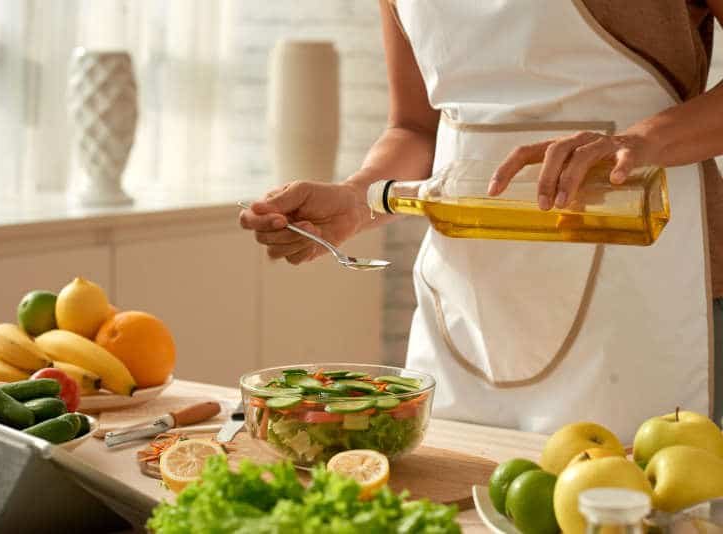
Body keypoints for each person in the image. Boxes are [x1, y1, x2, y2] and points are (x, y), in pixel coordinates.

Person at [240, 1, 723, 441]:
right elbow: (414, 127)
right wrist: (357, 197)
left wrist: (642, 140)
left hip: (640, 292)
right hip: (467, 300)